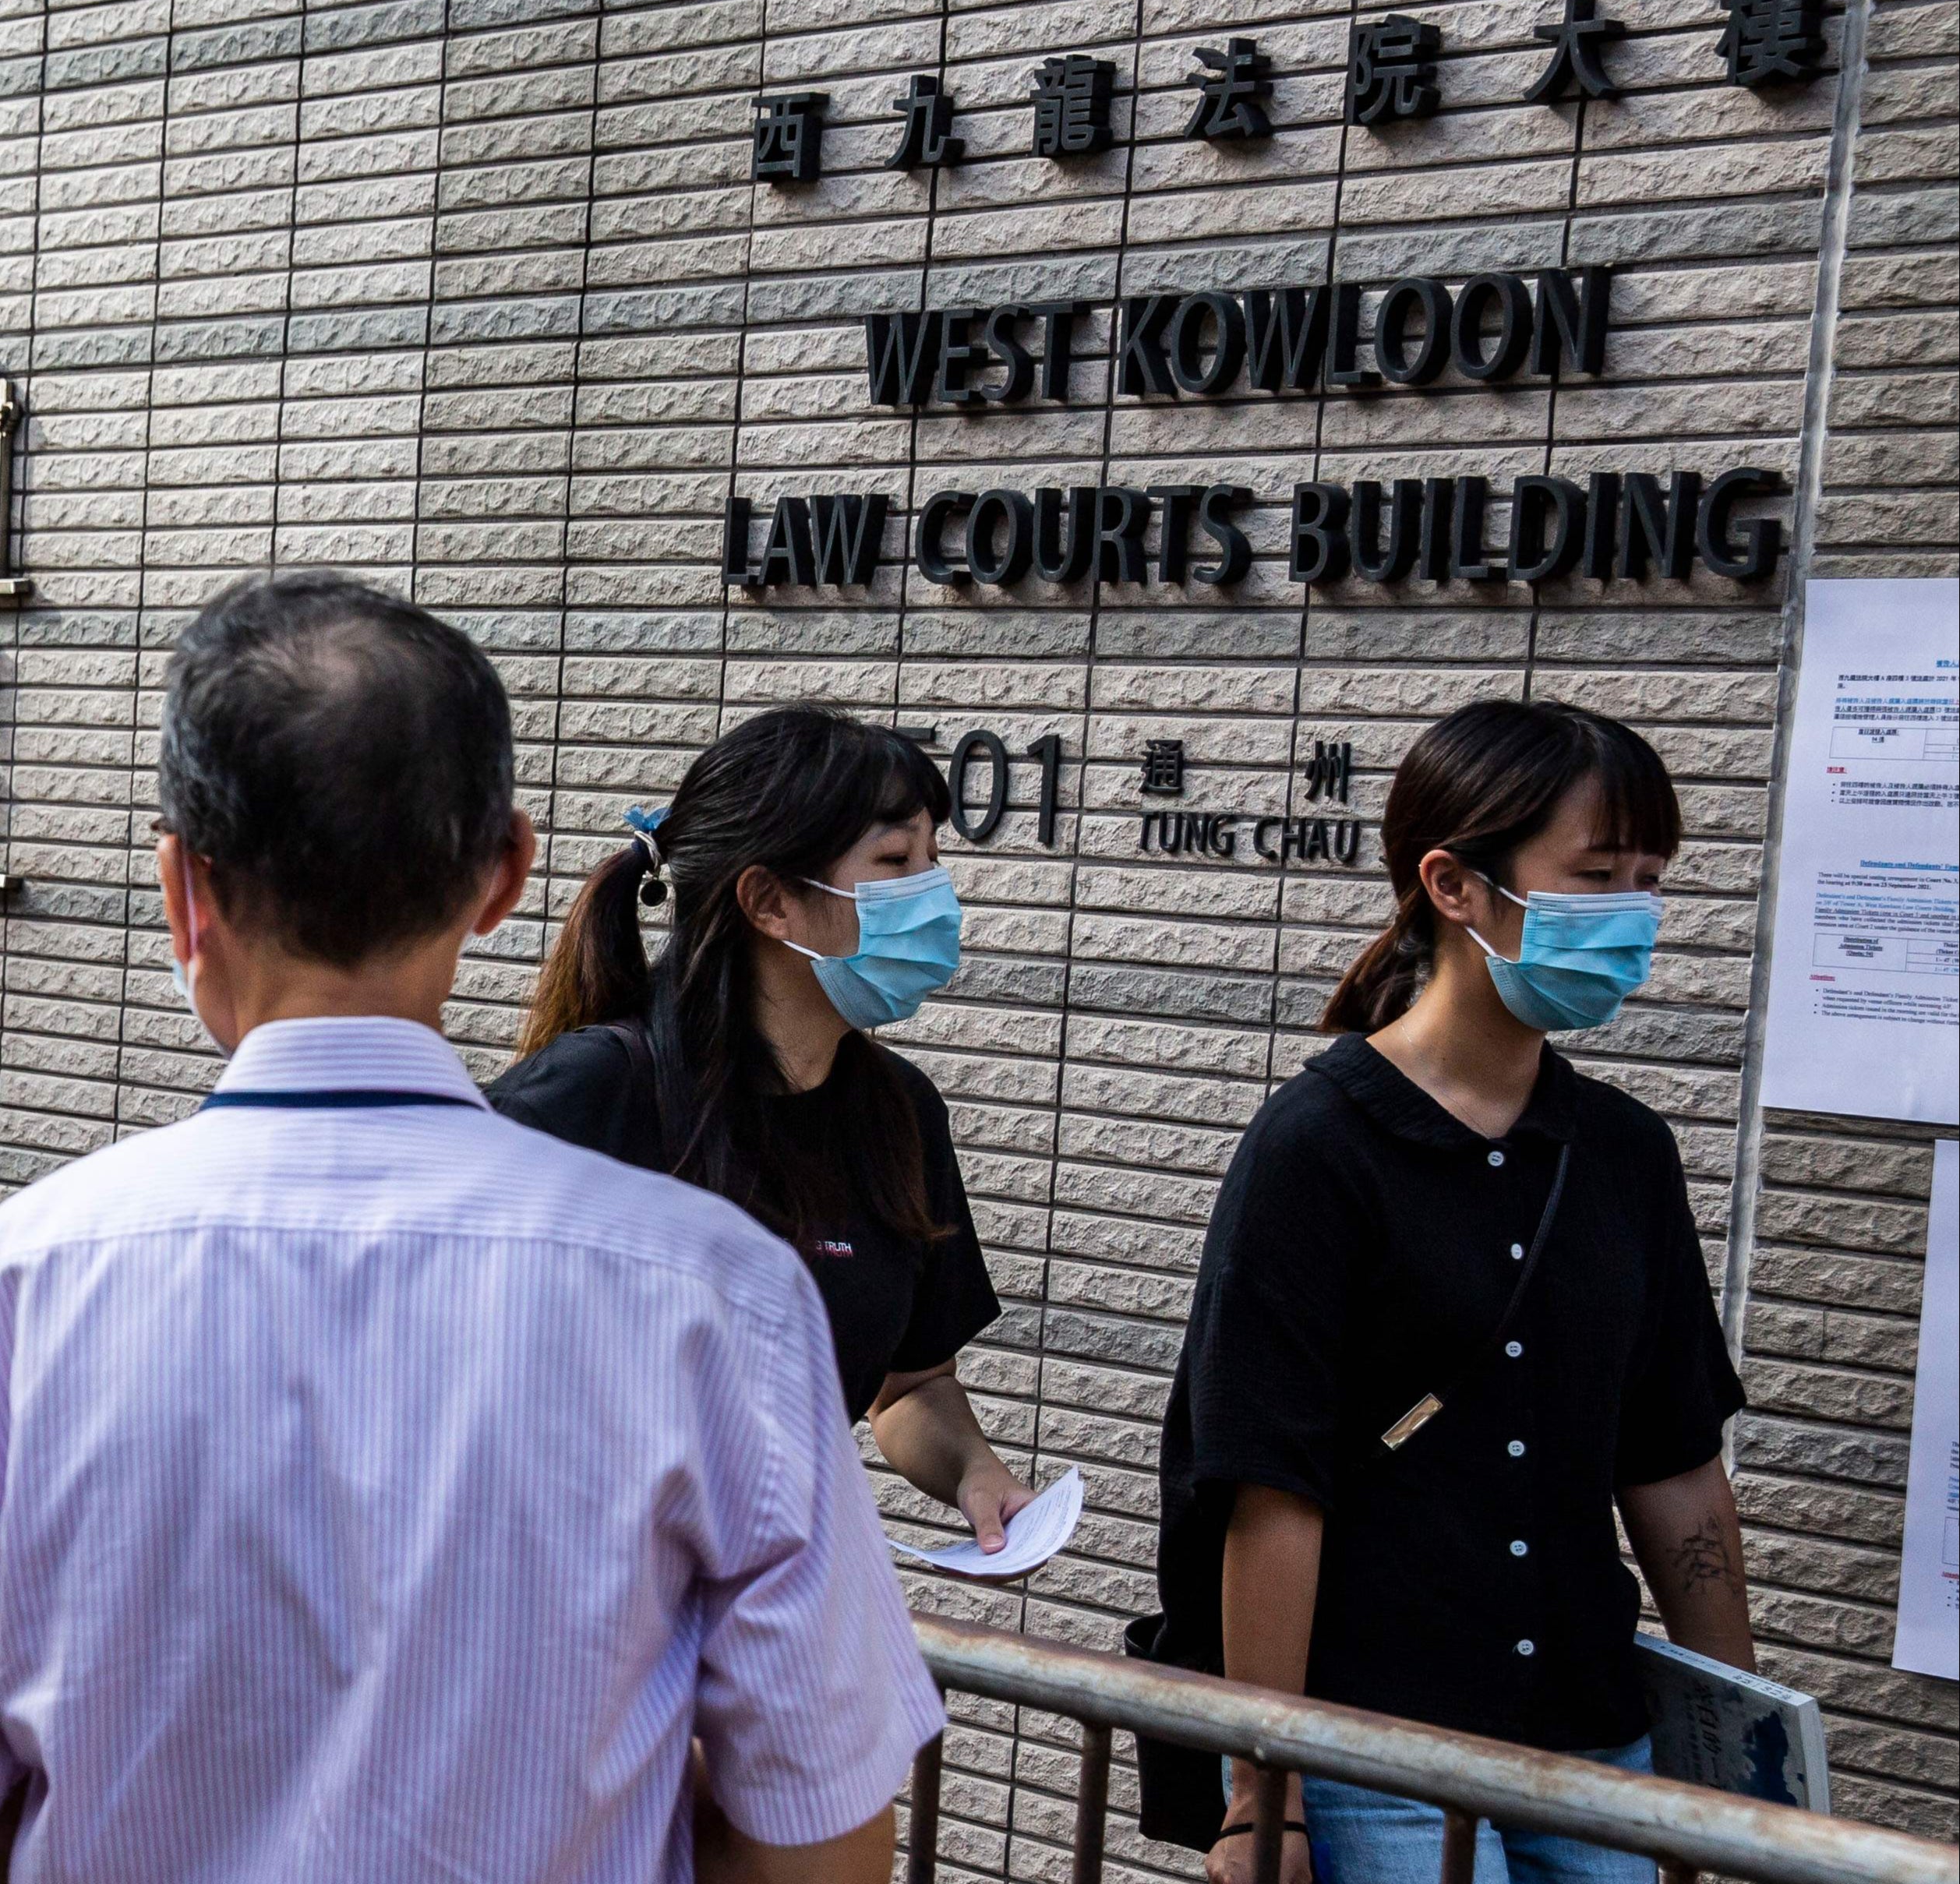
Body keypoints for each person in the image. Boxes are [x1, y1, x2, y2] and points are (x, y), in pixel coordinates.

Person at [0, 575, 942, 1884]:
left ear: (183, 883)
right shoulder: (721, 1294)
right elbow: (823, 1840)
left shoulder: (2, 1291)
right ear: (503, 875)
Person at [1153, 700, 1754, 1884]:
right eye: (1593, 879)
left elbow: (1676, 1464)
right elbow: (1269, 1489)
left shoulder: (1625, 1152)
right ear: (1455, 884)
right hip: (1373, 1752)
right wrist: (1261, 1795)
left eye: (1648, 880)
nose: (1630, 917)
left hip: (1593, 1739)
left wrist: (1737, 1772)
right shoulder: (1317, 1147)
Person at [489, 706, 1037, 1556]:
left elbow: (908, 1385)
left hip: (768, 1615)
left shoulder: (901, 1114)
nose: (932, 899)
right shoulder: (591, 1098)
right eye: (894, 863)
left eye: (934, 863)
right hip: (573, 1616)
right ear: (769, 901)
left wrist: (973, 1470)